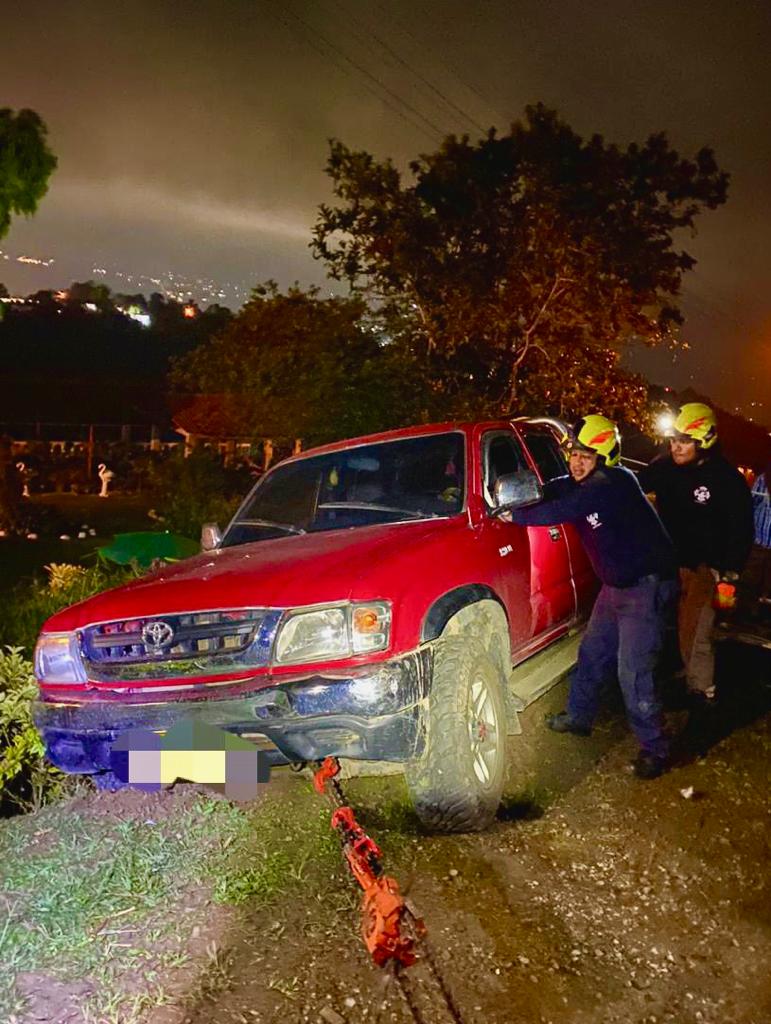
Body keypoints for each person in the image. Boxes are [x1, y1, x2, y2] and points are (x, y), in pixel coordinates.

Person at [505, 414, 678, 779]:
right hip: (615, 588)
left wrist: (511, 515)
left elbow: (560, 509)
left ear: (605, 458)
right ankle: (579, 717)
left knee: (633, 671)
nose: (577, 462)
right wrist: (524, 491)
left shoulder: (613, 482)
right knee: (592, 653)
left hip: (644, 588)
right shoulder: (582, 482)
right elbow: (554, 490)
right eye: (574, 454)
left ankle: (655, 748)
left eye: (586, 455)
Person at [638, 403, 754, 703]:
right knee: (676, 623)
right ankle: (685, 674)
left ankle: (702, 690)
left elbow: (741, 529)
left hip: (707, 568)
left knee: (698, 630)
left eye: (685, 441)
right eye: (674, 440)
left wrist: (730, 573)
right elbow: (635, 487)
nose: (676, 447)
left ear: (704, 441)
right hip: (671, 562)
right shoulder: (665, 467)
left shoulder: (726, 479)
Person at [737, 460, 771, 620]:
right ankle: (744, 614)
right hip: (759, 542)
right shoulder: (765, 479)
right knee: (750, 580)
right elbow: (751, 504)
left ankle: (764, 615)